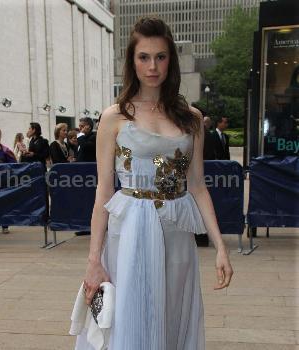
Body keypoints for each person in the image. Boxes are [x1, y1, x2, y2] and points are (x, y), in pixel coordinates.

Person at [73, 17, 233, 349]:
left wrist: (220, 246)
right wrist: (93, 260)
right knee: (132, 321)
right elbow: (104, 189)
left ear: (170, 60)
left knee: (172, 315)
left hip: (177, 231)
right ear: (132, 61)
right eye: (144, 57)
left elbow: (198, 185)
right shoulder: (115, 116)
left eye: (160, 56)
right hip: (129, 230)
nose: (152, 66)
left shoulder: (190, 117)